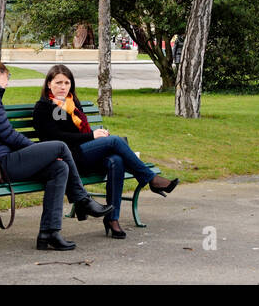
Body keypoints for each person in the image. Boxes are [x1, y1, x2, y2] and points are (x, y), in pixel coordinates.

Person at [0, 57, 110, 251]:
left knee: (59, 167)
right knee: (59, 147)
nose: (8, 80)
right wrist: (33, 149)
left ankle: (49, 233)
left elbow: (2, 134)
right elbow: (8, 135)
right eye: (7, 75)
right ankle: (82, 200)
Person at [31, 64, 179, 239]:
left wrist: (95, 137)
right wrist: (93, 137)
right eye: (58, 83)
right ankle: (150, 178)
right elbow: (56, 138)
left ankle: (112, 218)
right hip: (67, 158)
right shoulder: (44, 107)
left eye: (67, 82)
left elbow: (81, 133)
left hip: (82, 153)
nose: (63, 87)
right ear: (49, 84)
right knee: (115, 141)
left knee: (117, 160)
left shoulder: (72, 104)